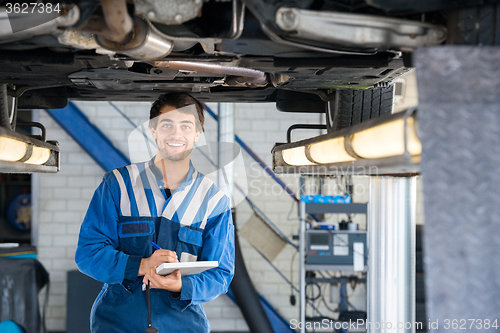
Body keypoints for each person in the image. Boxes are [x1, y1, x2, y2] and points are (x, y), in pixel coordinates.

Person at [75, 93, 235, 333]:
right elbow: (88, 253)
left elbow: (221, 273)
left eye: (186, 126)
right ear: (153, 130)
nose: (176, 133)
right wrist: (141, 265)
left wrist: (183, 285)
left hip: (183, 326)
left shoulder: (213, 201)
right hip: (117, 324)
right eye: (167, 124)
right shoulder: (118, 185)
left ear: (198, 134)